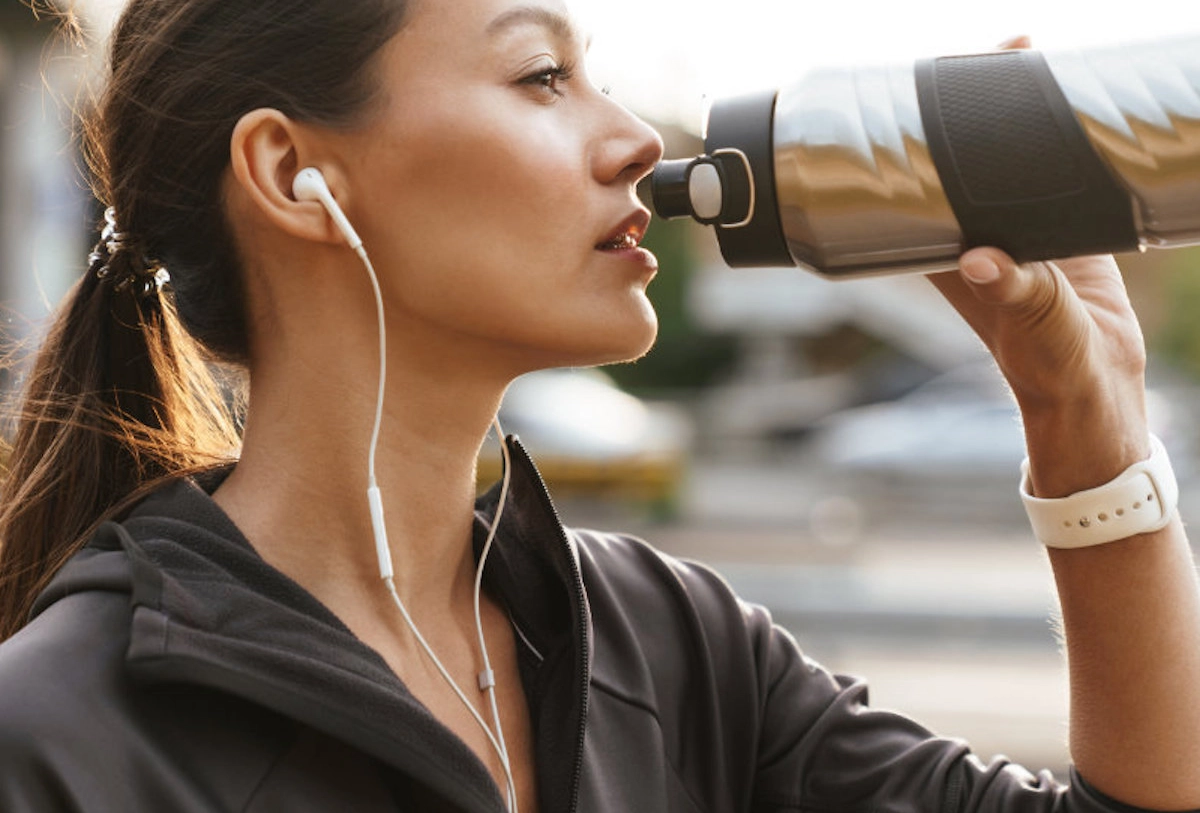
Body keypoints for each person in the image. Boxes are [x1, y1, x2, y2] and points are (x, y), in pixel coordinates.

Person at [0, 0, 1197, 810]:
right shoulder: (67, 737)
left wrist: (1086, 416)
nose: (631, 139)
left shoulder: (674, 648)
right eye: (541, 77)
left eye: (604, 83)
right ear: (293, 175)